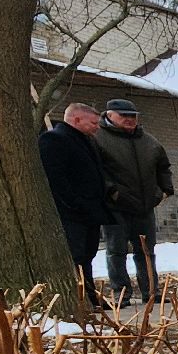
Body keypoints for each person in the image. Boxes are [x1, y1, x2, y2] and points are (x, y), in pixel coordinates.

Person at [92, 98, 174, 306]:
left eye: (133, 116)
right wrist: (112, 193)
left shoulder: (149, 141)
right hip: (115, 206)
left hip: (145, 205)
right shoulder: (97, 139)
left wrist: (164, 190)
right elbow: (95, 171)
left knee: (146, 250)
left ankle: (152, 291)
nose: (129, 120)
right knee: (116, 250)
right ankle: (121, 294)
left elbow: (163, 167)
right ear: (109, 115)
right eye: (124, 116)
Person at [38, 102, 113, 307]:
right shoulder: (54, 140)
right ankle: (78, 297)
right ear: (76, 119)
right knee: (76, 255)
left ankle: (88, 294)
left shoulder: (85, 141)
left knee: (87, 256)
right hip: (71, 213)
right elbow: (55, 178)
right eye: (93, 123)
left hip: (89, 211)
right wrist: (74, 204)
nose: (97, 127)